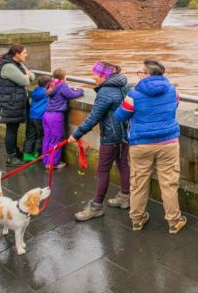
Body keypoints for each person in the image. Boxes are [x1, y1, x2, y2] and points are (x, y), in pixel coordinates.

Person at [115, 59, 186, 234]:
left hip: (141, 144)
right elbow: (174, 106)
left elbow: (120, 116)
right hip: (168, 142)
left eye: (139, 72)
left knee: (138, 183)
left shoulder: (133, 95)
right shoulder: (173, 90)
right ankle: (174, 221)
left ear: (147, 75)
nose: (138, 75)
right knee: (169, 183)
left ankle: (137, 220)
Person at [68, 61, 131, 221]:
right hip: (125, 134)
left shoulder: (105, 92)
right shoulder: (122, 84)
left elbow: (93, 117)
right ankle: (125, 197)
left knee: (103, 170)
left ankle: (96, 206)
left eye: (95, 74)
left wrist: (76, 134)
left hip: (111, 137)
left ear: (103, 76)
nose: (92, 77)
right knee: (123, 164)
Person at [0, 45, 35, 167]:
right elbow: (25, 81)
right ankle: (11, 157)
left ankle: (14, 152)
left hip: (13, 102)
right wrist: (27, 76)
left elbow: (31, 76)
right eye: (24, 53)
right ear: (17, 53)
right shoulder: (8, 66)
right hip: (9, 103)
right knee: (11, 129)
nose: (26, 55)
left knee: (14, 128)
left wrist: (27, 75)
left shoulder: (17, 64)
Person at [43, 68, 83, 170]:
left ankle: (46, 161)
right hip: (56, 116)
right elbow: (72, 95)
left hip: (47, 114)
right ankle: (53, 164)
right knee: (56, 139)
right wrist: (80, 90)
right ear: (64, 77)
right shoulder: (62, 85)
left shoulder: (50, 84)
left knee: (47, 138)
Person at [22, 75, 50, 162]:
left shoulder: (36, 90)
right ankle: (36, 155)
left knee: (30, 136)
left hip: (31, 116)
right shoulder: (47, 92)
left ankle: (26, 155)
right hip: (40, 117)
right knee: (40, 136)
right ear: (48, 84)